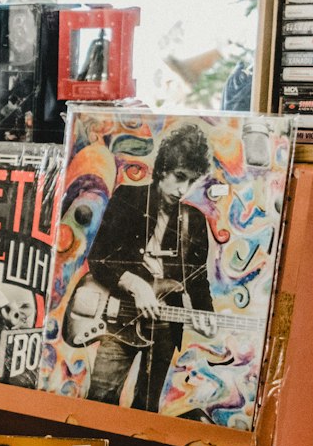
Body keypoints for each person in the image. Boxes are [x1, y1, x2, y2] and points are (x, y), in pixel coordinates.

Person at [85, 122, 216, 413]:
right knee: (99, 403)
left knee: (146, 411)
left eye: (191, 181)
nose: (183, 189)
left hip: (165, 329)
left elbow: (197, 280)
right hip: (117, 320)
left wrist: (206, 316)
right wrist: (135, 283)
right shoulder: (128, 198)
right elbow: (98, 259)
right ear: (163, 168)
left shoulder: (194, 221)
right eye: (179, 177)